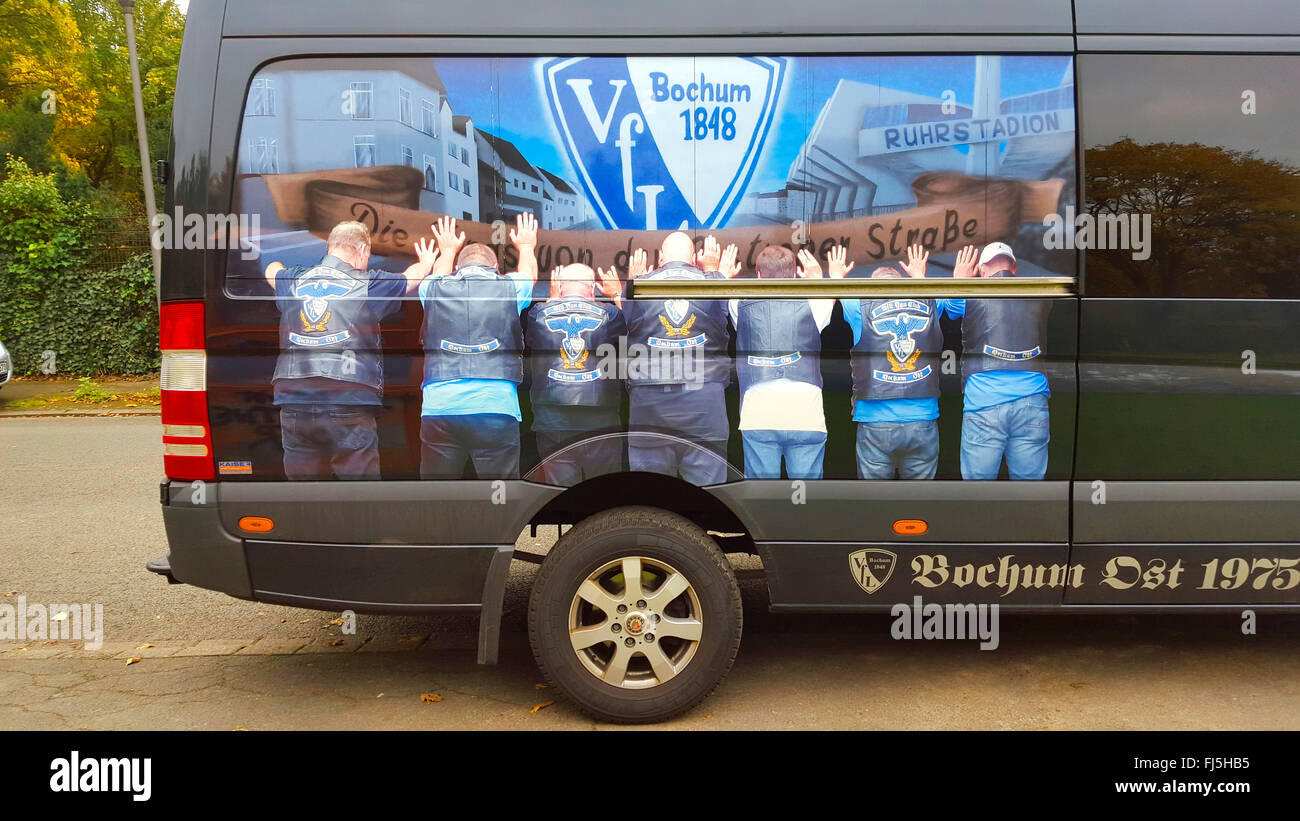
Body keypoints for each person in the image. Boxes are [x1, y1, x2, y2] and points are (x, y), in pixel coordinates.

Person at [264, 220, 436, 479]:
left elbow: (271, 269)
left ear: (330, 247)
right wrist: (426, 261)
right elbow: (410, 279)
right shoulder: (368, 283)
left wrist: (279, 269)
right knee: (359, 489)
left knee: (301, 492)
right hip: (348, 400)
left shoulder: (295, 279)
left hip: (294, 400)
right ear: (362, 250)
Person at [417, 214, 538, 479]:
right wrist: (526, 246)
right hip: (494, 406)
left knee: (436, 494)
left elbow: (437, 277)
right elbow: (529, 275)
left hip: (439, 408)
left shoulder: (431, 287)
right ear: (496, 266)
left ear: (457, 267)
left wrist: (447, 250)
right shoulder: (510, 287)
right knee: (500, 493)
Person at [835, 244, 963, 479]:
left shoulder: (857, 305)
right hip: (922, 418)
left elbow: (830, 298)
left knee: (875, 502)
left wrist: (835, 276)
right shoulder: (931, 300)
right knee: (919, 500)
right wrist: (921, 281)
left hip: (875, 420)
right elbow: (960, 306)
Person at [621, 232, 733, 484]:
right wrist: (714, 270)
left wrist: (633, 279)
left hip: (649, 402)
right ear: (694, 258)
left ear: (661, 258)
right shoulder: (711, 280)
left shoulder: (639, 284)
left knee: (651, 492)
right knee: (709, 491)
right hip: (704, 397)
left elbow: (626, 321)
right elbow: (723, 314)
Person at [949, 241, 1053, 480]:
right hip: (1033, 401)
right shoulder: (1040, 294)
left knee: (979, 488)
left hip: (984, 402)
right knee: (1030, 488)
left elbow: (950, 308)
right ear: (1014, 269)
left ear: (982, 271)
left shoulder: (970, 294)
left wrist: (960, 281)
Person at [728, 244, 833, 479]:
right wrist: (816, 277)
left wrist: (724, 274)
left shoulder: (738, 302)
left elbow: (720, 292)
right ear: (795, 273)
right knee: (807, 501)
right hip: (807, 415)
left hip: (758, 415)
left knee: (762, 500)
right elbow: (827, 294)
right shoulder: (816, 302)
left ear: (758, 275)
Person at [525, 262, 626, 485]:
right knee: (604, 490)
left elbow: (533, 342)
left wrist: (551, 300)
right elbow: (637, 328)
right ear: (593, 289)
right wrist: (618, 294)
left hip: (553, 421)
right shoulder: (610, 314)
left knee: (558, 493)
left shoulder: (537, 314)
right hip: (601, 420)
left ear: (560, 287)